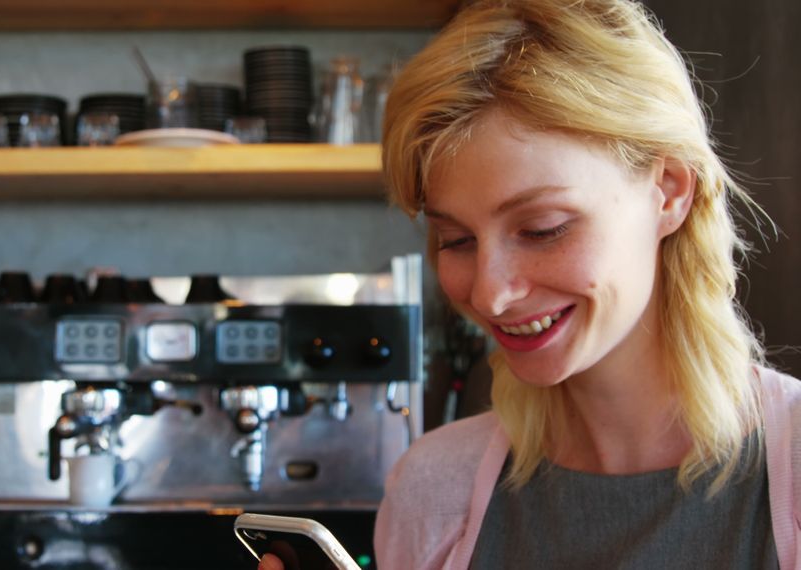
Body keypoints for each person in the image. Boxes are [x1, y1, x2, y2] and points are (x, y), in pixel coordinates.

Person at [259, 0, 801, 568]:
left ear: (667, 190)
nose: (490, 295)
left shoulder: (786, 472)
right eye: (457, 240)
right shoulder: (434, 492)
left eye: (543, 230)